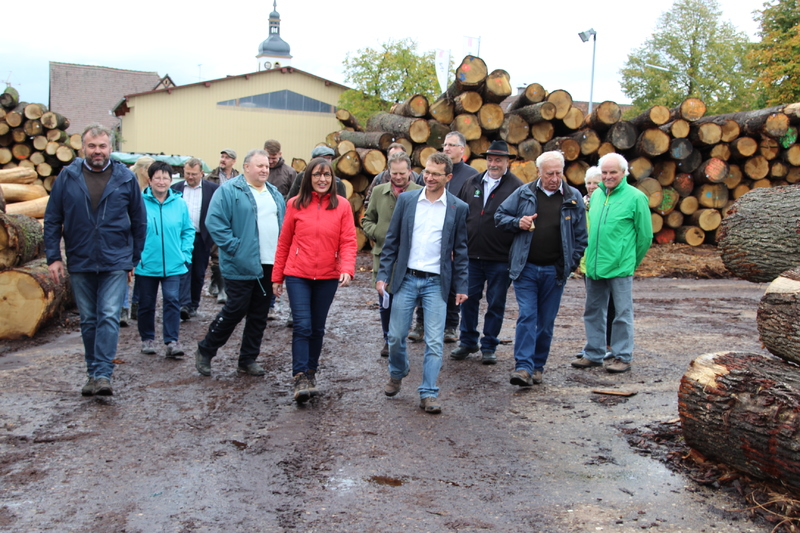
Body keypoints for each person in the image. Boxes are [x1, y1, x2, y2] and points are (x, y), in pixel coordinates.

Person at [44, 123, 147, 396]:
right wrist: (54, 257)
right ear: (83, 148)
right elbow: (53, 219)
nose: (97, 151)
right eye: (92, 146)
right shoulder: (68, 177)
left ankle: (103, 374)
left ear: (110, 148)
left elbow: (139, 221)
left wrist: (132, 259)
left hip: (115, 259)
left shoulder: (125, 178)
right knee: (89, 319)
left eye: (102, 146)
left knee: (110, 316)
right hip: (81, 258)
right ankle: (92, 372)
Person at [376, 152, 469, 415]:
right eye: (427, 172)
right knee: (395, 336)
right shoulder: (407, 200)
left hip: (436, 282)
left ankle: (428, 392)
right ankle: (398, 371)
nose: (429, 177)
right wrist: (383, 274)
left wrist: (462, 285)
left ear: (448, 177)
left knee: (435, 341)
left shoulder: (457, 207)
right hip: (406, 278)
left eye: (436, 174)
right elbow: (391, 242)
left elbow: (461, 251)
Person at [495, 151, 588, 386]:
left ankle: (537, 366)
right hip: (526, 268)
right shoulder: (525, 193)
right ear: (539, 172)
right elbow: (500, 216)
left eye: (558, 173)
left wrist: (569, 265)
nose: (555, 178)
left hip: (554, 272)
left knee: (545, 322)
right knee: (527, 315)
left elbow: (580, 237)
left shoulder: (573, 197)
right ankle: (523, 368)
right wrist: (518, 222)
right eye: (549, 174)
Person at [272, 157, 357, 403]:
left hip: (328, 276)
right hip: (298, 274)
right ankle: (299, 376)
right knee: (302, 326)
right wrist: (277, 277)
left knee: (317, 328)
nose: (322, 179)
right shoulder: (295, 204)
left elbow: (349, 241)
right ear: (308, 178)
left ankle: (311, 372)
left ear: (332, 179)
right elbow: (284, 242)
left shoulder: (341, 205)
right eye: (317, 175)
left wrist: (347, 268)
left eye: (327, 175)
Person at [194, 149, 285, 377]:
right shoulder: (229, 190)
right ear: (246, 167)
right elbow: (214, 222)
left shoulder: (274, 193)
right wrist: (234, 247)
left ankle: (247, 359)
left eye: (266, 166)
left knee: (259, 314)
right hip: (240, 263)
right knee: (235, 309)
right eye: (259, 166)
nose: (264, 169)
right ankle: (206, 349)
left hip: (268, 264)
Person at [573, 153, 652, 374]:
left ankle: (622, 355)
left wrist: (629, 261)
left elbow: (645, 236)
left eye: (613, 172)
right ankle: (594, 353)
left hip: (620, 267)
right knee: (593, 311)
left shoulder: (636, 197)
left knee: (621, 313)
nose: (608, 177)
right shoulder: (597, 196)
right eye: (605, 173)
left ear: (624, 173)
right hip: (594, 266)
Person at [452, 140, 523, 364]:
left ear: (507, 162)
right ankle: (467, 341)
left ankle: (489, 345)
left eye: (498, 160)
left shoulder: (517, 187)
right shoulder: (471, 182)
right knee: (467, 299)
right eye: (490, 159)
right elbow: (459, 215)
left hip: (500, 258)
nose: (493, 163)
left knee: (496, 302)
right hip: (471, 255)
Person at [409, 132, 480, 344]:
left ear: (462, 149)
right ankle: (420, 323)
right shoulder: (432, 171)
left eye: (452, 145)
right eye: (445, 144)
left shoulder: (470, 175)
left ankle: (450, 325)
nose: (447, 148)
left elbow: (471, 211)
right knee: (425, 276)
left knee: (452, 283)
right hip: (432, 236)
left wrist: (458, 241)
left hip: (457, 235)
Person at [361, 152, 422, 357]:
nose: (398, 177)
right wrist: (378, 233)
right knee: (385, 299)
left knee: (406, 300)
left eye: (402, 173)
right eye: (394, 173)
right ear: (388, 172)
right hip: (383, 254)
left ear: (410, 171)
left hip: (411, 257)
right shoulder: (379, 192)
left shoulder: (420, 192)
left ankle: (400, 338)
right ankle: (388, 339)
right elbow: (366, 220)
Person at [136, 161, 195, 358]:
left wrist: (185, 253)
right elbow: (131, 230)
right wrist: (136, 255)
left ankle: (171, 341)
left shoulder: (179, 203)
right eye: (157, 178)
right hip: (146, 263)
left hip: (174, 263)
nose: (161, 182)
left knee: (172, 300)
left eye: (165, 178)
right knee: (146, 303)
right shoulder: (139, 203)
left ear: (171, 180)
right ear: (149, 180)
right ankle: (147, 339)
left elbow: (188, 230)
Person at [172, 158, 219, 320]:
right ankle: (184, 303)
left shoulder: (213, 189)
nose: (190, 177)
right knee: (183, 269)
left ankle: (193, 303)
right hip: (180, 238)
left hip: (202, 237)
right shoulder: (175, 189)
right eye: (187, 174)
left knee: (198, 272)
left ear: (201, 173)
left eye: (193, 174)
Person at [576, 166, 615, 359]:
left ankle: (610, 343)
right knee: (594, 307)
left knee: (612, 306)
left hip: (609, 261)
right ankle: (595, 344)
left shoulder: (608, 204)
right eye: (589, 183)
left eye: (595, 182)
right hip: (588, 263)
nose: (592, 186)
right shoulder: (581, 205)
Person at [120, 155, 154, 326]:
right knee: (126, 269)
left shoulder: (150, 189)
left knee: (142, 269)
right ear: (142, 170)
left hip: (145, 233)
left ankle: (136, 305)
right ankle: (123, 308)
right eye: (150, 170)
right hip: (128, 232)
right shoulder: (128, 184)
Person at [206, 148, 239, 303]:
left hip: (234, 220)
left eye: (227, 157)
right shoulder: (211, 177)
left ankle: (223, 285)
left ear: (234, 161)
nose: (223, 159)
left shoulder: (240, 178)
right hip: (216, 218)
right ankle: (221, 289)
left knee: (231, 253)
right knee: (216, 254)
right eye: (222, 156)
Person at [362, 142, 423, 207]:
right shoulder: (380, 178)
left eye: (400, 155)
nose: (398, 177)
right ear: (388, 158)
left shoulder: (416, 178)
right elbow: (368, 204)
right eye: (393, 156)